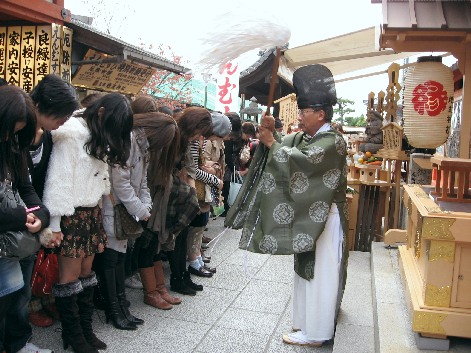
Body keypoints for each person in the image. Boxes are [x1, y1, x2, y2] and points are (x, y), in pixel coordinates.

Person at [255, 64, 348, 347]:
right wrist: (272, 135)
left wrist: (273, 144)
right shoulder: (314, 137)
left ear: (320, 114)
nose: (299, 117)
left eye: (303, 112)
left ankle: (317, 332)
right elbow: (290, 146)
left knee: (320, 274)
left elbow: (302, 161)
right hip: (314, 214)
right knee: (311, 271)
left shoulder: (332, 141)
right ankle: (307, 323)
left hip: (325, 216)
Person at [43, 93, 134, 353]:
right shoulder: (71, 132)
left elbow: (101, 173)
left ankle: (85, 329)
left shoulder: (95, 131)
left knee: (86, 274)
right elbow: (57, 181)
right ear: (102, 112)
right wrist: (56, 224)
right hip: (71, 215)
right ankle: (73, 334)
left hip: (91, 212)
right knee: (69, 278)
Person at [0, 85, 51, 353]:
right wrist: (22, 215)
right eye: (9, 129)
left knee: (13, 294)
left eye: (18, 132)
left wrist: (41, 215)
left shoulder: (12, 145)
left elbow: (25, 186)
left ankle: (17, 344)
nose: (11, 136)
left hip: (9, 241)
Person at [27, 74, 80, 329]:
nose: (63, 122)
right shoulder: (16, 132)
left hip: (35, 207)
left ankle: (33, 305)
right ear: (39, 107)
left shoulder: (48, 134)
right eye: (60, 116)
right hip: (20, 209)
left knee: (35, 262)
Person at [129, 96, 186, 306]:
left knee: (153, 244)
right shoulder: (139, 142)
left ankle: (158, 288)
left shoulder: (155, 140)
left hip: (153, 199)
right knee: (148, 244)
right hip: (145, 200)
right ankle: (151, 291)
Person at [186, 112, 230, 279]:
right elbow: (195, 169)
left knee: (200, 225)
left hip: (202, 188)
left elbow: (201, 164)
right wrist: (213, 177)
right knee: (196, 226)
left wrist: (211, 167)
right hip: (197, 189)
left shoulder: (202, 140)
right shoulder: (195, 141)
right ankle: (194, 261)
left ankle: (197, 259)